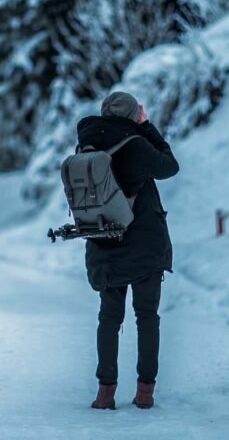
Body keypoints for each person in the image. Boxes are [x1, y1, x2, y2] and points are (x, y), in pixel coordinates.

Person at [79, 91, 179, 411]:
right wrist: (147, 127)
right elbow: (169, 165)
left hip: (104, 241)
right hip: (145, 244)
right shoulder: (136, 144)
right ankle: (145, 392)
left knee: (109, 317)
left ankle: (105, 393)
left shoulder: (86, 146)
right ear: (133, 115)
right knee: (146, 316)